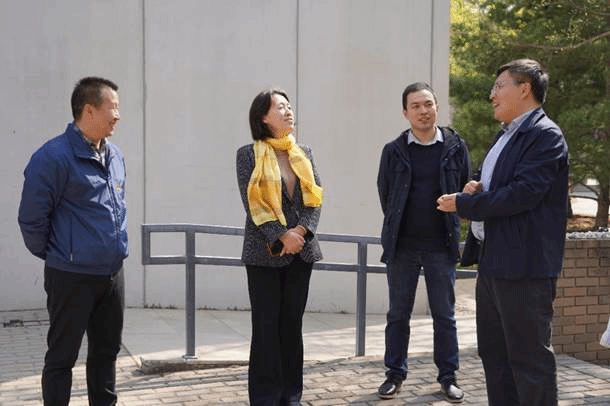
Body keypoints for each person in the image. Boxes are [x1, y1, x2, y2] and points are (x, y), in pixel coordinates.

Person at [437, 59, 569, 406]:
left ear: (524, 89)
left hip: (525, 266)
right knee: (495, 357)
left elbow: (523, 193)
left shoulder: (545, 135)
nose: (492, 95)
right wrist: (475, 187)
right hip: (494, 261)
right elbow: (498, 184)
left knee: (529, 362)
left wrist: (465, 204)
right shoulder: (505, 135)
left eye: (499, 86)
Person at [18, 77, 126, 406]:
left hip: (112, 274)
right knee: (62, 357)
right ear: (89, 110)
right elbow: (32, 220)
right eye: (113, 107)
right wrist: (63, 254)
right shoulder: (53, 158)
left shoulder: (115, 155)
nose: (118, 115)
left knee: (106, 353)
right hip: (71, 276)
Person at [376, 82, 470, 403]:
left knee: (444, 316)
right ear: (405, 113)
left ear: (437, 108)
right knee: (397, 315)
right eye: (415, 106)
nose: (423, 111)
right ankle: (394, 374)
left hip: (441, 245)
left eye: (428, 104)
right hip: (402, 246)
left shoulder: (456, 147)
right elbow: (386, 195)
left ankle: (448, 376)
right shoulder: (393, 150)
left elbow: (464, 191)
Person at [236, 88, 323, 406]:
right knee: (265, 328)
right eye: (280, 107)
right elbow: (252, 204)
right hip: (263, 254)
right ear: (263, 117)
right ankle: (265, 398)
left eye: (289, 106)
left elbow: (316, 197)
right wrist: (281, 236)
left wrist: (300, 232)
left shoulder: (304, 152)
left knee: (292, 327)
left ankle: (291, 396)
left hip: (301, 253)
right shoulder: (248, 154)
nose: (288, 111)